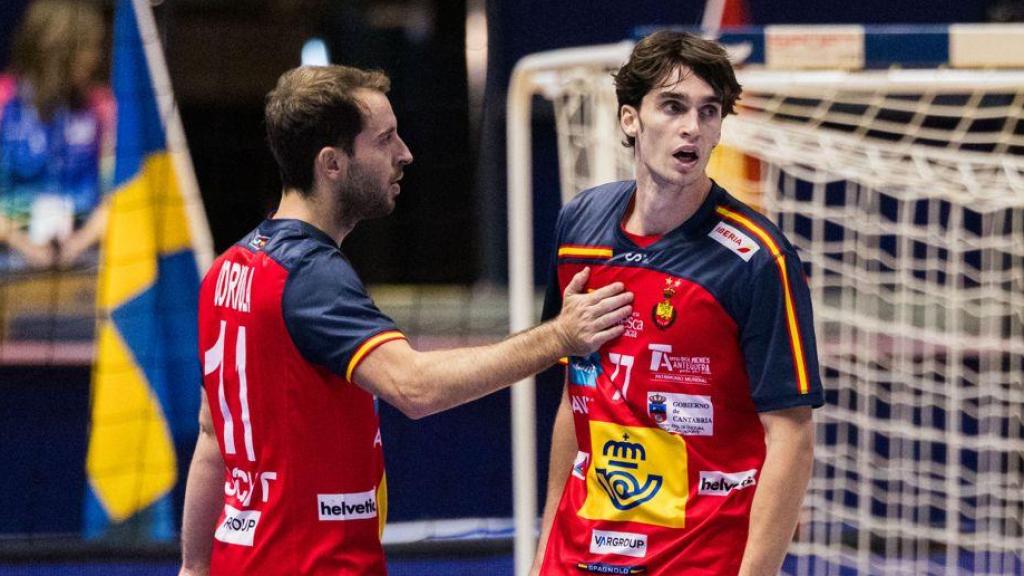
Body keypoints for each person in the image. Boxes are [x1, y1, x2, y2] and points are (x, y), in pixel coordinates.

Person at [178, 65, 634, 576]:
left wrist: (194, 568)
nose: (405, 154)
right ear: (332, 164)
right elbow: (415, 388)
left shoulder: (227, 270)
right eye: (385, 139)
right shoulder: (311, 276)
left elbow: (212, 439)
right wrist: (560, 335)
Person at [531, 31, 825, 576]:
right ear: (630, 120)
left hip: (700, 559)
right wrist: (545, 549)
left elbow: (791, 436)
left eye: (708, 112)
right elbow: (578, 399)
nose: (692, 126)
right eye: (672, 106)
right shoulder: (579, 228)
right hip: (577, 555)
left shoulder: (758, 259)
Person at [0, 0, 114, 271]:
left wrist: (78, 244)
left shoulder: (102, 108)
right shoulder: (4, 101)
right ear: (59, 48)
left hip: (83, 256)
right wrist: (22, 244)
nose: (95, 57)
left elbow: (117, 199)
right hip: (9, 253)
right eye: (88, 47)